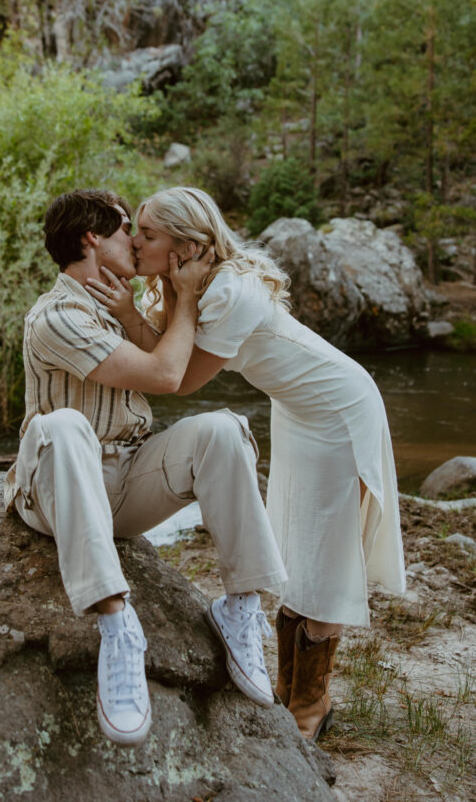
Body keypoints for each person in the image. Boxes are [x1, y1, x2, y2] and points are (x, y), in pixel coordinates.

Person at [88, 186, 406, 742]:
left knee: (329, 558)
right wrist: (131, 308)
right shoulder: (191, 287)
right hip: (297, 413)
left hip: (337, 410)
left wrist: (165, 305)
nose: (135, 242)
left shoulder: (229, 291)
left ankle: (310, 706)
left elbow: (178, 381)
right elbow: (167, 352)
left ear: (187, 247)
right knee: (295, 547)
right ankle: (288, 690)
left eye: (148, 234)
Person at [4, 188, 287, 748]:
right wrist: (183, 296)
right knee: (62, 425)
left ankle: (240, 606)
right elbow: (164, 375)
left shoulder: (112, 302)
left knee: (224, 429)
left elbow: (173, 369)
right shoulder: (57, 315)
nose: (133, 240)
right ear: (91, 239)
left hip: (126, 483)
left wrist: (134, 313)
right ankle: (117, 628)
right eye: (122, 230)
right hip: (57, 493)